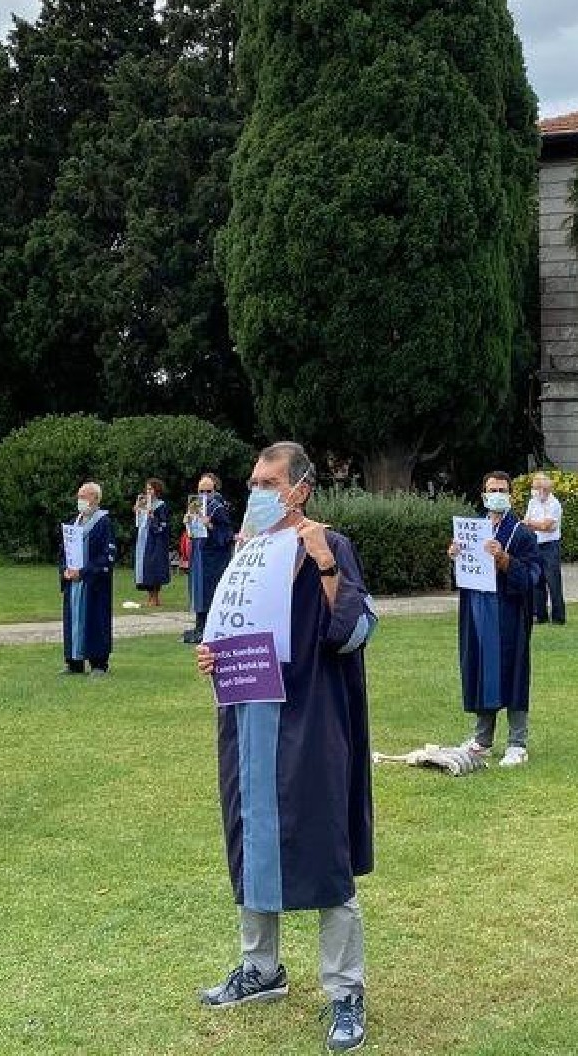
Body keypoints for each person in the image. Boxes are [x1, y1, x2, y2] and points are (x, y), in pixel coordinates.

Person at [194, 441, 376, 1053]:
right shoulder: (247, 551)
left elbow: (354, 631)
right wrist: (211, 656)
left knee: (324, 844)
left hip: (310, 718)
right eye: (254, 482)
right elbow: (228, 630)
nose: (259, 492)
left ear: (299, 488)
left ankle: (345, 991)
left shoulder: (329, 543)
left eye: (270, 482)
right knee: (251, 839)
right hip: (248, 716)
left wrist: (325, 564)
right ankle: (260, 970)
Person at [449, 470, 540, 765]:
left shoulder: (522, 534)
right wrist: (456, 556)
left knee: (512, 670)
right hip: (477, 610)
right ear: (484, 495)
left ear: (511, 496)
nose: (496, 494)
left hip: (508, 611)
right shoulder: (473, 528)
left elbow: (531, 577)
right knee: (480, 669)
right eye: (492, 489)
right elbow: (462, 576)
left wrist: (504, 560)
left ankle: (517, 741)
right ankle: (482, 739)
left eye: (502, 489)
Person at [60, 482, 117, 675]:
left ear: (95, 499)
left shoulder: (103, 523)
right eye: (79, 497)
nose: (80, 501)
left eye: (84, 497)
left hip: (93, 583)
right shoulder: (73, 523)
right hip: (74, 582)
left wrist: (84, 572)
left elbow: (106, 556)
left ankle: (99, 664)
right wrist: (66, 571)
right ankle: (74, 662)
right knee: (73, 621)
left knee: (96, 620)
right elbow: (64, 552)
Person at [183, 473, 237, 645]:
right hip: (199, 553)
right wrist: (188, 523)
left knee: (210, 591)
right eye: (201, 491)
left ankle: (208, 627)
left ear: (215, 490)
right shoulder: (196, 505)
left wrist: (210, 525)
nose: (204, 495)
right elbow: (192, 534)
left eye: (208, 491)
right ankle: (199, 625)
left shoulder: (218, 507)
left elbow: (227, 535)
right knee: (198, 590)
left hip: (214, 557)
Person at [524, 471, 567, 624]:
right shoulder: (532, 502)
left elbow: (547, 526)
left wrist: (532, 524)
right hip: (535, 544)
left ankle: (558, 616)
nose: (535, 491)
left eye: (537, 488)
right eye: (534, 487)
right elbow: (527, 522)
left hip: (550, 546)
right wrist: (535, 524)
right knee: (537, 581)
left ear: (545, 489)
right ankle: (540, 615)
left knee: (553, 581)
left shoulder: (554, 504)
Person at [134, 477, 173, 608]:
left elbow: (164, 524)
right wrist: (138, 511)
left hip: (156, 540)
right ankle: (149, 596)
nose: (148, 491)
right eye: (147, 488)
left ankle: (155, 596)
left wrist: (153, 517)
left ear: (157, 490)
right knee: (145, 567)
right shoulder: (145, 503)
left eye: (150, 488)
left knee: (154, 567)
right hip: (144, 538)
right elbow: (139, 523)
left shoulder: (161, 505)